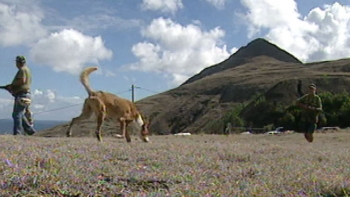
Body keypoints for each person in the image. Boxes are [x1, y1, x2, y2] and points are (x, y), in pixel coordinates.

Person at [5, 55, 36, 135]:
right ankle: (30, 131)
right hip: (26, 94)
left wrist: (12, 86)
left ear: (18, 62)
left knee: (16, 114)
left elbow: (22, 80)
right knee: (20, 113)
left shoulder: (22, 70)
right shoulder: (27, 70)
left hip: (22, 94)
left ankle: (17, 133)